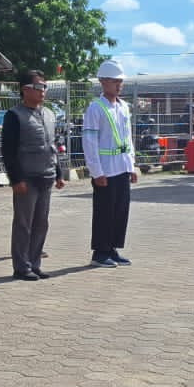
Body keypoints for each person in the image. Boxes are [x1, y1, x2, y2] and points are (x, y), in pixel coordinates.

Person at [1, 70, 65, 280]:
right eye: (39, 87)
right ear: (25, 90)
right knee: (23, 224)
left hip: (45, 176)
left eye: (45, 87)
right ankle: (21, 266)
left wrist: (58, 173)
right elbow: (8, 151)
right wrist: (16, 179)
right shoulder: (14, 116)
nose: (43, 91)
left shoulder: (48, 114)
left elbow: (52, 146)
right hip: (26, 179)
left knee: (41, 223)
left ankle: (35, 263)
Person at [82, 59, 138, 268]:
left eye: (121, 81)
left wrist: (131, 166)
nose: (119, 85)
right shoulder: (95, 108)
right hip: (105, 169)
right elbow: (89, 142)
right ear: (104, 82)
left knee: (120, 210)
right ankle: (100, 252)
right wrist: (96, 171)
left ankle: (113, 248)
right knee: (104, 211)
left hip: (121, 166)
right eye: (116, 81)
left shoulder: (123, 107)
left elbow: (128, 138)